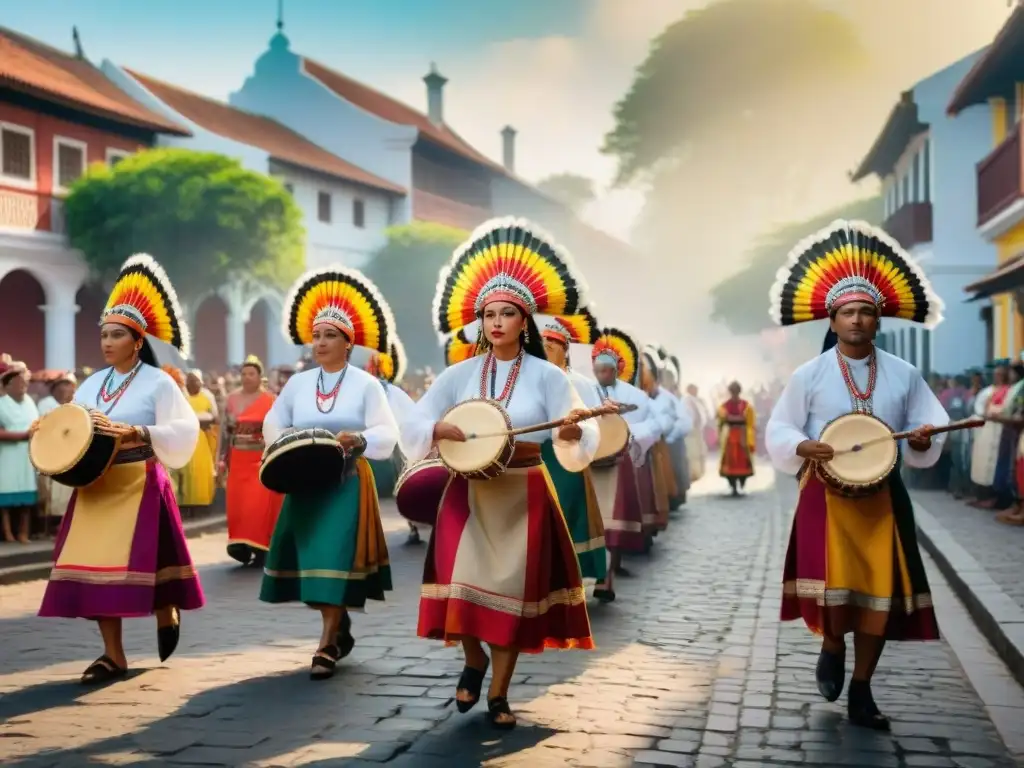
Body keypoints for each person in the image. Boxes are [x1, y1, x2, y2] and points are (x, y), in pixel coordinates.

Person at [404, 217, 597, 730]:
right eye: (488, 313)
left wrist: (574, 435)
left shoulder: (549, 376)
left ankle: (499, 693)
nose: (495, 322)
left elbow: (575, 429)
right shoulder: (459, 374)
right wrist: (438, 426)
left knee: (511, 594)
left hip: (523, 492)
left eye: (507, 313)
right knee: (460, 582)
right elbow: (417, 417)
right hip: (466, 492)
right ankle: (473, 658)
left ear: (524, 321)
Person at [765, 219, 948, 730]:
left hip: (883, 498)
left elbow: (926, 422)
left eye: (868, 312)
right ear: (833, 318)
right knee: (834, 589)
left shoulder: (904, 374)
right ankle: (830, 644)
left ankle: (863, 689)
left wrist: (923, 437)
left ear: (879, 319)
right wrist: (802, 444)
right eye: (849, 312)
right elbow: (780, 427)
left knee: (879, 597)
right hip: (824, 494)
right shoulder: (809, 374)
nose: (858, 320)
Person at [36, 254, 204, 683]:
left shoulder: (158, 381)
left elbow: (183, 428)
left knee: (148, 560)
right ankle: (113, 654)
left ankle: (165, 608)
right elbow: (76, 426)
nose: (107, 342)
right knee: (90, 569)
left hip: (138, 481)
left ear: (136, 340)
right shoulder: (92, 384)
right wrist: (49, 431)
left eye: (116, 335)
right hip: (96, 485)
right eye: (104, 335)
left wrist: (142, 432)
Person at [260, 265, 399, 681]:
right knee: (310, 562)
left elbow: (385, 432)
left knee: (332, 556)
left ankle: (325, 645)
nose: (320, 342)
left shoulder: (365, 384)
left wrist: (357, 439)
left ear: (348, 343)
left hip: (345, 483)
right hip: (304, 482)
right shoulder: (298, 384)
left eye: (330, 336)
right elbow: (273, 421)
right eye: (316, 335)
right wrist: (285, 442)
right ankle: (338, 626)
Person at [588, 326, 660, 602]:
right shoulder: (585, 391)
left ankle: (608, 577)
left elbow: (653, 425)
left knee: (614, 523)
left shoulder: (637, 397)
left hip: (621, 461)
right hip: (591, 463)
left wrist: (630, 436)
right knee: (595, 522)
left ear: (617, 370)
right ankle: (596, 572)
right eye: (597, 370)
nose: (601, 375)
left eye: (606, 370)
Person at [540, 313, 608, 586]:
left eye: (551, 347)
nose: (545, 353)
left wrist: (579, 432)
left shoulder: (580, 383)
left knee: (567, 513)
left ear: (564, 351)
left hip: (570, 458)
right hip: (541, 455)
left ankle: (570, 575)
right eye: (541, 347)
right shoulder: (535, 379)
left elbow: (596, 422)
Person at [219, 354, 283, 567]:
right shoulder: (231, 399)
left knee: (257, 503)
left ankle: (261, 545)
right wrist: (221, 460)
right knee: (238, 505)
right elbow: (225, 433)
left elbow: (277, 430)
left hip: (261, 458)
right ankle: (241, 545)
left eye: (251, 374)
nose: (247, 377)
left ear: (259, 376)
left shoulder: (271, 400)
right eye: (244, 373)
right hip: (237, 460)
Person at [363, 339, 421, 544]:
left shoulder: (395, 393)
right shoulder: (365, 392)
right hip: (369, 446)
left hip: (396, 445)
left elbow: (411, 419)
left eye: (380, 369)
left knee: (403, 481)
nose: (377, 373)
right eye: (374, 368)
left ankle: (413, 524)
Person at [0, 362, 39, 543]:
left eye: (24, 382)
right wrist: (21, 435)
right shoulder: (1, 403)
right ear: (7, 386)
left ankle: (24, 532)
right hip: (6, 455)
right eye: (17, 383)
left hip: (27, 455)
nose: (22, 386)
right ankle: (8, 533)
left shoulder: (30, 402)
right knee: (5, 496)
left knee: (27, 496)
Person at [36, 371, 78, 528]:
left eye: (72, 386)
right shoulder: (46, 403)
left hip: (68, 452)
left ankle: (64, 522)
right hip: (49, 451)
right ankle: (48, 525)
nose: (70, 389)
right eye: (66, 385)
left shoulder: (73, 404)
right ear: (56, 388)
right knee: (49, 490)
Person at [179, 370, 218, 511]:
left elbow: (215, 417)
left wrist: (204, 420)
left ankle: (202, 503)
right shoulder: (182, 396)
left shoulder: (207, 396)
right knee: (186, 471)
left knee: (201, 470)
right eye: (189, 380)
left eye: (195, 380)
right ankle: (186, 504)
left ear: (200, 382)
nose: (192, 383)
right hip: (185, 439)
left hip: (202, 438)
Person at [718, 381, 756, 496]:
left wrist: (733, 418)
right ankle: (733, 485)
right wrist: (737, 419)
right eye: (732, 391)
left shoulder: (746, 405)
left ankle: (742, 480)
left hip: (742, 436)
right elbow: (723, 418)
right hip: (730, 436)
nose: (734, 393)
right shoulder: (725, 405)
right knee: (731, 460)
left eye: (736, 391)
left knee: (742, 459)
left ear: (739, 391)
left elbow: (749, 419)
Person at [683, 383, 709, 483]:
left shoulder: (697, 400)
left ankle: (698, 473)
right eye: (695, 389)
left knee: (699, 451)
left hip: (697, 430)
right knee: (693, 453)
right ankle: (693, 474)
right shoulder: (687, 400)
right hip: (691, 431)